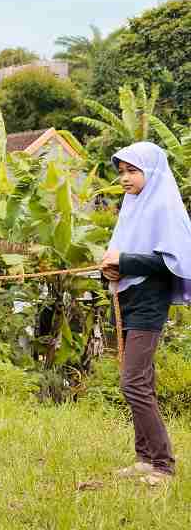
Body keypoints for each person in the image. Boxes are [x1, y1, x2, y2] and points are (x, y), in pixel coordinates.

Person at [100, 142, 191, 487]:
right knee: (141, 379)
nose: (124, 178)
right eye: (121, 171)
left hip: (150, 301)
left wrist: (122, 262)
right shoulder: (132, 206)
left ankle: (163, 464)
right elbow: (117, 253)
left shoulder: (165, 206)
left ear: (151, 172)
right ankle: (144, 458)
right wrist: (108, 269)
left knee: (133, 382)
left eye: (132, 171)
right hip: (128, 298)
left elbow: (173, 261)